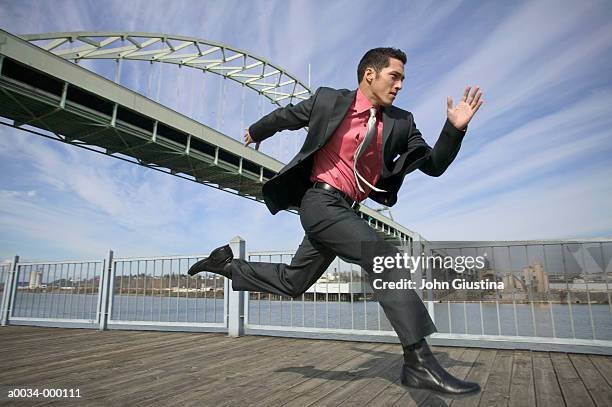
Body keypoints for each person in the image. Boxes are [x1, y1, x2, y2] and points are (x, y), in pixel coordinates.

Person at [188, 47, 484, 395]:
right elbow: (287, 116)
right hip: (319, 201)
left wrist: (453, 130)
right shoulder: (329, 100)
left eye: (404, 78)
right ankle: (418, 362)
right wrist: (256, 131)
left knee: (293, 282)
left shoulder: (402, 122)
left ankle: (226, 265)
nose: (401, 85)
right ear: (370, 74)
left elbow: (432, 165)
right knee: (382, 254)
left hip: (346, 209)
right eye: (395, 76)